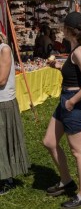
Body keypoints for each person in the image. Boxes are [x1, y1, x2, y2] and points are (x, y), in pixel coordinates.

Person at [43, 12, 81, 208]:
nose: (60, 30)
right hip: (66, 100)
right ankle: (66, 181)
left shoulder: (79, 52)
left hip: (72, 103)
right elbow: (77, 74)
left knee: (79, 151)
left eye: (62, 27)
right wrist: (58, 66)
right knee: (49, 141)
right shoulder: (76, 48)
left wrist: (72, 101)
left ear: (68, 29)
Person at [0, 32, 30, 195]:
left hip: (3, 102)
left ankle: (6, 179)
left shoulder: (4, 49)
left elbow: (2, 79)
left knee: (4, 141)